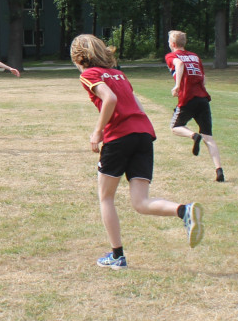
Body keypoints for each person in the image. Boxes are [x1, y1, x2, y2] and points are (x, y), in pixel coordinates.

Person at [71, 33, 203, 269]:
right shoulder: (120, 74)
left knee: (106, 197)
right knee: (141, 202)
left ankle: (117, 256)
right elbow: (136, 103)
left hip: (119, 137)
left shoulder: (90, 74)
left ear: (80, 57)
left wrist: (97, 132)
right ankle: (184, 211)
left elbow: (109, 99)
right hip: (143, 134)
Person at [165, 31, 225, 182]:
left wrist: (177, 85)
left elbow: (179, 64)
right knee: (209, 137)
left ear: (172, 44)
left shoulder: (171, 56)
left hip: (187, 98)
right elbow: (203, 78)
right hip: (203, 98)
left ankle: (193, 136)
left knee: (175, 126)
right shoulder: (195, 56)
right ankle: (219, 170)